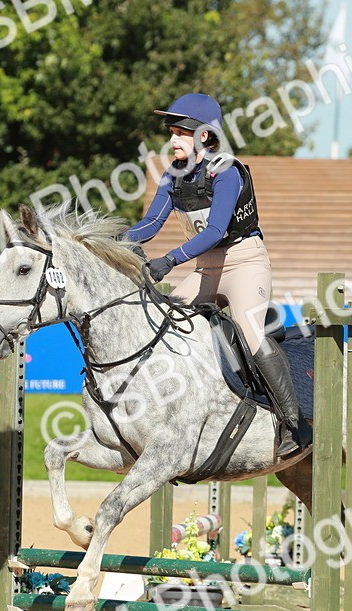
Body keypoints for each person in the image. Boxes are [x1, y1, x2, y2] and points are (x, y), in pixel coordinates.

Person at [122, 93, 300, 457]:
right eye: (171, 132)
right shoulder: (173, 175)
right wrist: (112, 242)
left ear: (203, 136)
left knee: (250, 334)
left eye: (180, 133)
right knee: (165, 321)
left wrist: (169, 260)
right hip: (206, 270)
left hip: (245, 265)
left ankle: (292, 424)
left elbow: (216, 230)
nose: (172, 140)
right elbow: (152, 223)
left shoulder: (227, 172)